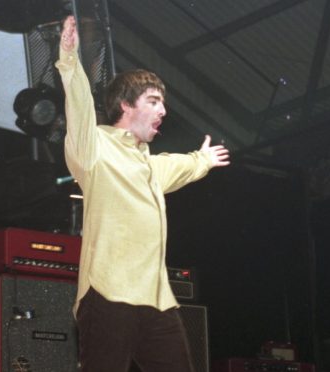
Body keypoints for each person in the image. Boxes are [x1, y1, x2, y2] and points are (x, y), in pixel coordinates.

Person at [55, 16, 230, 372]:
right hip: (108, 294)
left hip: (156, 300)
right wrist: (70, 60)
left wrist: (204, 159)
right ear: (125, 105)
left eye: (163, 103)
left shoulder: (151, 167)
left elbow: (182, 166)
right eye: (153, 101)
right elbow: (80, 110)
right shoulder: (95, 149)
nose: (163, 110)